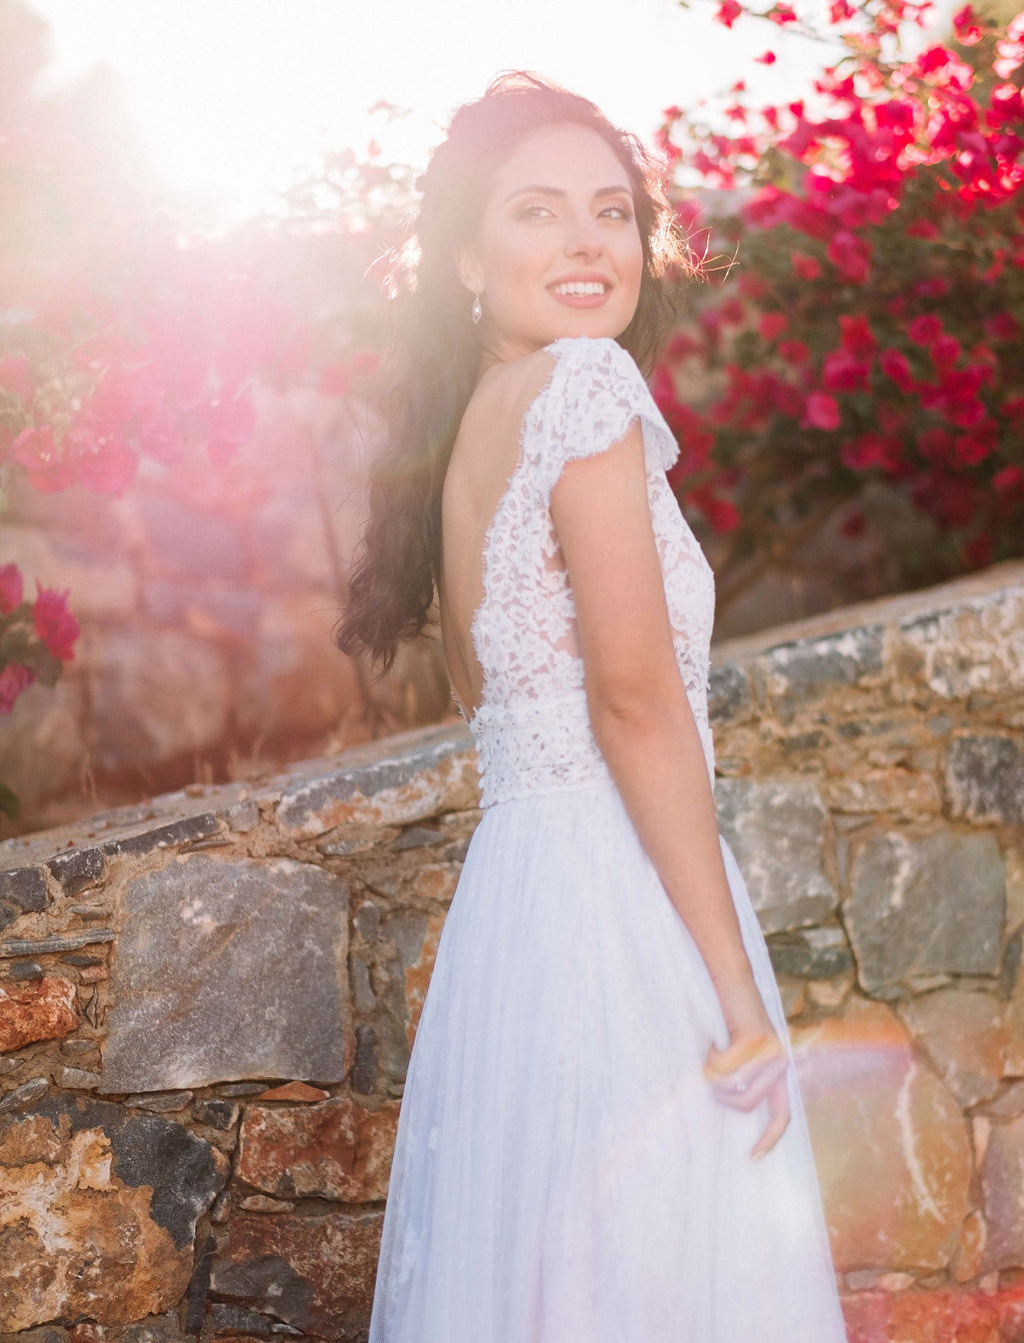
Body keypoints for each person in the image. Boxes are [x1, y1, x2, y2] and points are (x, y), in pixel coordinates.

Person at [336, 70, 849, 1343]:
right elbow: (631, 701)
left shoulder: (472, 432)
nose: (585, 242)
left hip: (516, 913)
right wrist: (735, 991)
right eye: (536, 211)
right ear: (463, 253)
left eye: (611, 211)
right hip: (617, 907)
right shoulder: (583, 388)